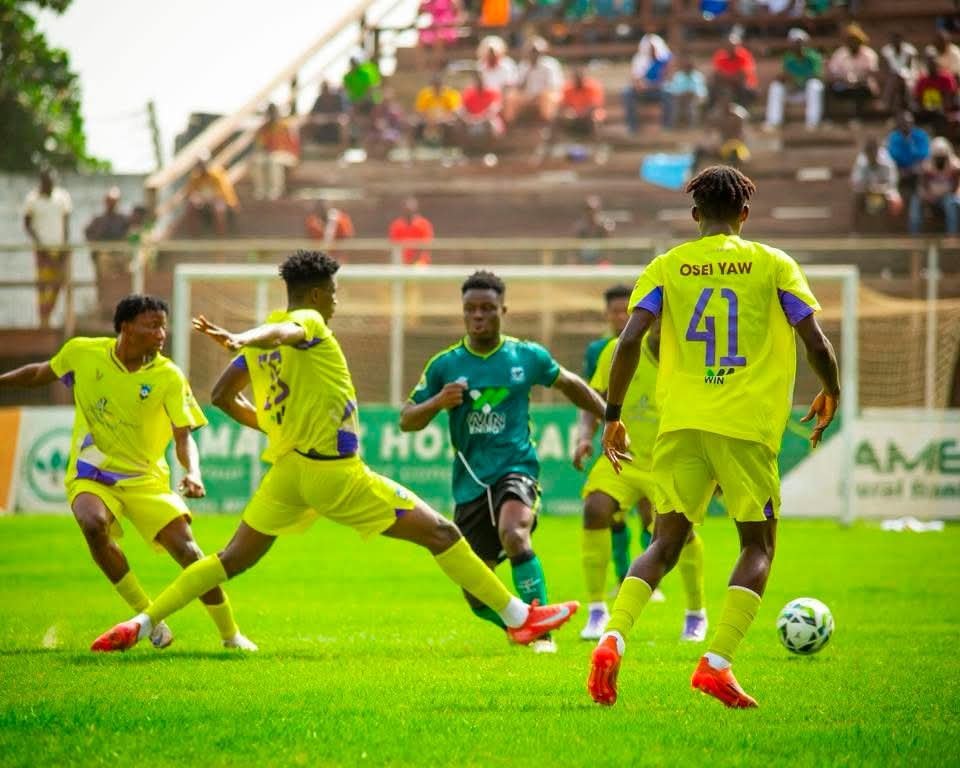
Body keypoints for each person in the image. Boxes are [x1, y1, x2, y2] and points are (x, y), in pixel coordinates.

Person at [91, 254, 578, 652]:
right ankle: (521, 618)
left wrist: (272, 419)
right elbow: (288, 332)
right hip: (335, 473)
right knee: (441, 533)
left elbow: (221, 395)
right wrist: (245, 336)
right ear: (318, 295)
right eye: (334, 293)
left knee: (229, 559)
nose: (337, 302)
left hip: (287, 473)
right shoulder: (308, 322)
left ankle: (140, 621)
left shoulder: (266, 343)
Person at [587, 165, 840, 709]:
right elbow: (815, 341)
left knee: (663, 543)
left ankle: (613, 636)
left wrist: (613, 414)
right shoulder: (774, 264)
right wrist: (831, 389)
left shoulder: (666, 266)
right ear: (744, 214)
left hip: (681, 424)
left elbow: (629, 341)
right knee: (757, 545)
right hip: (745, 426)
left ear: (695, 214)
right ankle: (717, 663)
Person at [0, 294, 255, 652]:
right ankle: (149, 618)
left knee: (189, 553)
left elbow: (183, 436)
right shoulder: (82, 352)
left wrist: (193, 472)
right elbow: (40, 373)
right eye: (153, 325)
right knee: (93, 525)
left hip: (146, 479)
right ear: (126, 327)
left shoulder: (168, 375)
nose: (161, 333)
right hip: (92, 472)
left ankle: (231, 635)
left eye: (163, 326)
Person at [400, 270, 603, 653]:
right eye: (471, 309)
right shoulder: (445, 364)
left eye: (487, 308)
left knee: (514, 533)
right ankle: (519, 626)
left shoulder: (525, 356)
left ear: (502, 311)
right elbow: (407, 419)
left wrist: (610, 417)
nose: (478, 315)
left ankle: (542, 635)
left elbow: (570, 383)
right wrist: (438, 402)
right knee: (474, 591)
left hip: (516, 468)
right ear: (463, 313)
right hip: (470, 481)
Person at [573, 317, 707, 642]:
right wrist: (584, 436)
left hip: (672, 463)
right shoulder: (616, 350)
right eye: (656, 314)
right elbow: (594, 397)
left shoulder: (695, 356)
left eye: (669, 315)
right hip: (624, 457)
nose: (661, 322)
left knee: (681, 532)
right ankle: (596, 611)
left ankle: (696, 613)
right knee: (595, 509)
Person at [22, 169, 72, 328]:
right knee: (43, 285)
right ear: (42, 182)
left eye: (52, 183)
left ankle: (47, 316)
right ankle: (43, 322)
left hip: (59, 250)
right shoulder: (32, 199)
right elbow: (27, 225)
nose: (49, 186)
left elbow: (66, 224)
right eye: (47, 183)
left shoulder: (62, 197)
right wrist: (40, 244)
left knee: (59, 282)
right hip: (42, 251)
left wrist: (64, 246)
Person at [84, 187, 132, 322]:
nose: (112, 204)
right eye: (110, 201)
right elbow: (88, 234)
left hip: (120, 255)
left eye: (114, 201)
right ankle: (105, 308)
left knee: (128, 271)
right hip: (104, 256)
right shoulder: (99, 220)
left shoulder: (123, 219)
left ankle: (125, 306)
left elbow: (131, 235)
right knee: (104, 264)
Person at [764, 28, 824, 131]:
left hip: (806, 91)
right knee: (776, 87)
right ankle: (773, 122)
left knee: (814, 85)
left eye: (799, 43)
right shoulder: (788, 58)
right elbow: (785, 75)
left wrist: (798, 80)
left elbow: (817, 76)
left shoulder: (813, 57)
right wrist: (785, 80)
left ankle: (812, 122)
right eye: (794, 43)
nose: (797, 46)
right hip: (792, 91)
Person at [826, 24, 879, 120]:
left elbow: (872, 72)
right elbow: (832, 73)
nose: (853, 43)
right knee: (829, 88)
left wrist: (858, 80)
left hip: (863, 85)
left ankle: (858, 118)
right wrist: (845, 80)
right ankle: (829, 118)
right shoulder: (840, 53)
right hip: (844, 84)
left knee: (861, 89)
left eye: (855, 41)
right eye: (850, 40)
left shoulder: (869, 54)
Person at [622, 33, 672, 134]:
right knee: (627, 93)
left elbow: (667, 79)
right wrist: (639, 84)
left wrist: (650, 85)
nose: (651, 50)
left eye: (653, 48)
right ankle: (632, 128)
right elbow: (635, 77)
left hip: (657, 90)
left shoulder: (665, 61)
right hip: (642, 91)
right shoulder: (639, 60)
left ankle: (667, 127)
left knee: (669, 94)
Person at [909, 136, 960, 235]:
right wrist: (927, 195)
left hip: (947, 196)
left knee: (951, 204)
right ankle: (914, 236)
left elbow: (958, 185)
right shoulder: (927, 165)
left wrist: (955, 195)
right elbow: (922, 186)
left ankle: (951, 236)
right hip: (931, 196)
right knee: (915, 201)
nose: (940, 160)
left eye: (942, 157)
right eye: (938, 157)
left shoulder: (955, 165)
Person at [250, 103, 300, 201]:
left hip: (289, 155)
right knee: (256, 160)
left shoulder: (285, 126)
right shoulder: (263, 128)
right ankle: (261, 190)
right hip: (270, 154)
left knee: (273, 160)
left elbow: (293, 145)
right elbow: (260, 146)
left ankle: (275, 191)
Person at [851, 137, 903, 231]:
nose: (871, 156)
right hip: (867, 191)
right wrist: (869, 188)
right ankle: (855, 232)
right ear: (866, 153)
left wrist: (879, 188)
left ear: (877, 151)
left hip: (886, 190)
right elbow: (856, 183)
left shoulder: (887, 161)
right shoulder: (861, 161)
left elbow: (893, 183)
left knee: (895, 202)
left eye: (873, 153)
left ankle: (892, 231)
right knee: (857, 198)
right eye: (869, 153)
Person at [509, 37, 564, 124]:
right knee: (511, 96)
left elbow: (553, 87)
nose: (534, 54)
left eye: (536, 52)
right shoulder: (523, 65)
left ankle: (547, 124)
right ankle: (510, 124)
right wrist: (528, 72)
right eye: (531, 52)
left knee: (547, 97)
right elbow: (518, 86)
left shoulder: (550, 65)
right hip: (528, 96)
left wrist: (537, 96)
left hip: (545, 95)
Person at [184, 153, 238, 236]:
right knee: (191, 204)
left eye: (202, 163)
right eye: (199, 164)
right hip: (204, 204)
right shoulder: (196, 176)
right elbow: (189, 193)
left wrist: (207, 199)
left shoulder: (217, 174)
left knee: (218, 207)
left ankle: (221, 235)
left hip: (222, 203)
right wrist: (196, 197)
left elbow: (224, 193)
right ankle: (193, 235)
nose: (201, 166)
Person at [912, 51, 958, 135]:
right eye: (928, 62)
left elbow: (949, 99)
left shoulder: (946, 78)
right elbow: (918, 99)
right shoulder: (922, 80)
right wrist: (926, 108)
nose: (931, 65)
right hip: (927, 111)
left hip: (944, 111)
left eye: (933, 62)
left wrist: (938, 108)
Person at [709, 33, 758, 111]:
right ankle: (712, 111)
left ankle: (743, 112)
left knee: (746, 91)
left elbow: (743, 76)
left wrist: (727, 76)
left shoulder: (744, 55)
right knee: (713, 87)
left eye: (733, 46)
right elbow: (717, 75)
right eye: (728, 46)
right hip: (725, 85)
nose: (730, 48)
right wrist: (731, 77)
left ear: (738, 46)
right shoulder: (720, 55)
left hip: (742, 85)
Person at [887, 111, 930, 197]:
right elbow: (893, 155)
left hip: (917, 171)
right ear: (899, 124)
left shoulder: (920, 135)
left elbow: (924, 154)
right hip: (900, 171)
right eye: (904, 123)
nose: (907, 125)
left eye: (909, 122)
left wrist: (910, 144)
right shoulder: (894, 137)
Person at [458, 70, 505, 145]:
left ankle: (493, 146)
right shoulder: (468, 93)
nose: (479, 82)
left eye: (481, 80)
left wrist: (481, 118)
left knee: (492, 123)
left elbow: (494, 109)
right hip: (471, 121)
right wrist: (468, 118)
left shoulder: (492, 92)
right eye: (477, 80)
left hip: (487, 120)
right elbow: (462, 109)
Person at [414, 73, 462, 146]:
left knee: (453, 125)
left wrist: (442, 119)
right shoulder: (424, 94)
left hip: (446, 120)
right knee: (415, 124)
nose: (436, 88)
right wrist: (429, 119)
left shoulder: (451, 94)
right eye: (434, 86)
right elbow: (419, 110)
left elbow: (455, 111)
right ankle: (418, 145)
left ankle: (449, 145)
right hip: (428, 120)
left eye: (438, 85)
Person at [662, 55, 708, 129]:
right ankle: (671, 125)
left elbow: (702, 91)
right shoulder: (678, 76)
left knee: (692, 105)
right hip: (680, 97)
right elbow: (672, 88)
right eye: (686, 66)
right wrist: (681, 93)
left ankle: (693, 126)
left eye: (689, 66)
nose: (688, 68)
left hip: (694, 97)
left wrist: (694, 94)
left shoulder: (698, 76)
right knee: (673, 103)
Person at [880, 32, 920, 115]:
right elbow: (886, 68)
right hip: (892, 77)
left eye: (898, 40)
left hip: (909, 76)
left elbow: (910, 67)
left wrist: (903, 75)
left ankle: (911, 104)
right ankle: (887, 105)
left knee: (906, 84)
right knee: (893, 81)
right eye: (894, 40)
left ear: (901, 40)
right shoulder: (886, 51)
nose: (896, 42)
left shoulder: (909, 50)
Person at [560, 68, 607, 138]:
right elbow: (565, 105)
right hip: (575, 113)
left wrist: (583, 112)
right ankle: (567, 138)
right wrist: (570, 111)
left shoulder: (593, 86)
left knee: (595, 116)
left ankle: (595, 139)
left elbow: (595, 105)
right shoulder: (568, 88)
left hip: (591, 112)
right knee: (565, 117)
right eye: (576, 79)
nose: (578, 81)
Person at [388, 197, 434, 266]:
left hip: (420, 262)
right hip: (401, 262)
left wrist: (413, 262)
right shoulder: (396, 224)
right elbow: (394, 245)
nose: (409, 210)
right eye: (406, 208)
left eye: (411, 208)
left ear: (416, 209)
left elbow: (425, 245)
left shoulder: (424, 224)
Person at [574, 195, 615, 265]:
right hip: (583, 263)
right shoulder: (579, 227)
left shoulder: (604, 226)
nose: (592, 212)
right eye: (589, 209)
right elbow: (574, 249)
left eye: (595, 210)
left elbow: (609, 247)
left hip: (600, 262)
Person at [306, 81, 348, 145]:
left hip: (335, 120)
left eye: (326, 88)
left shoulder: (336, 98)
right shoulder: (319, 99)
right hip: (321, 121)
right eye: (323, 89)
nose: (325, 91)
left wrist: (330, 117)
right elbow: (312, 113)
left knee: (343, 125)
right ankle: (310, 144)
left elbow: (342, 113)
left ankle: (343, 146)